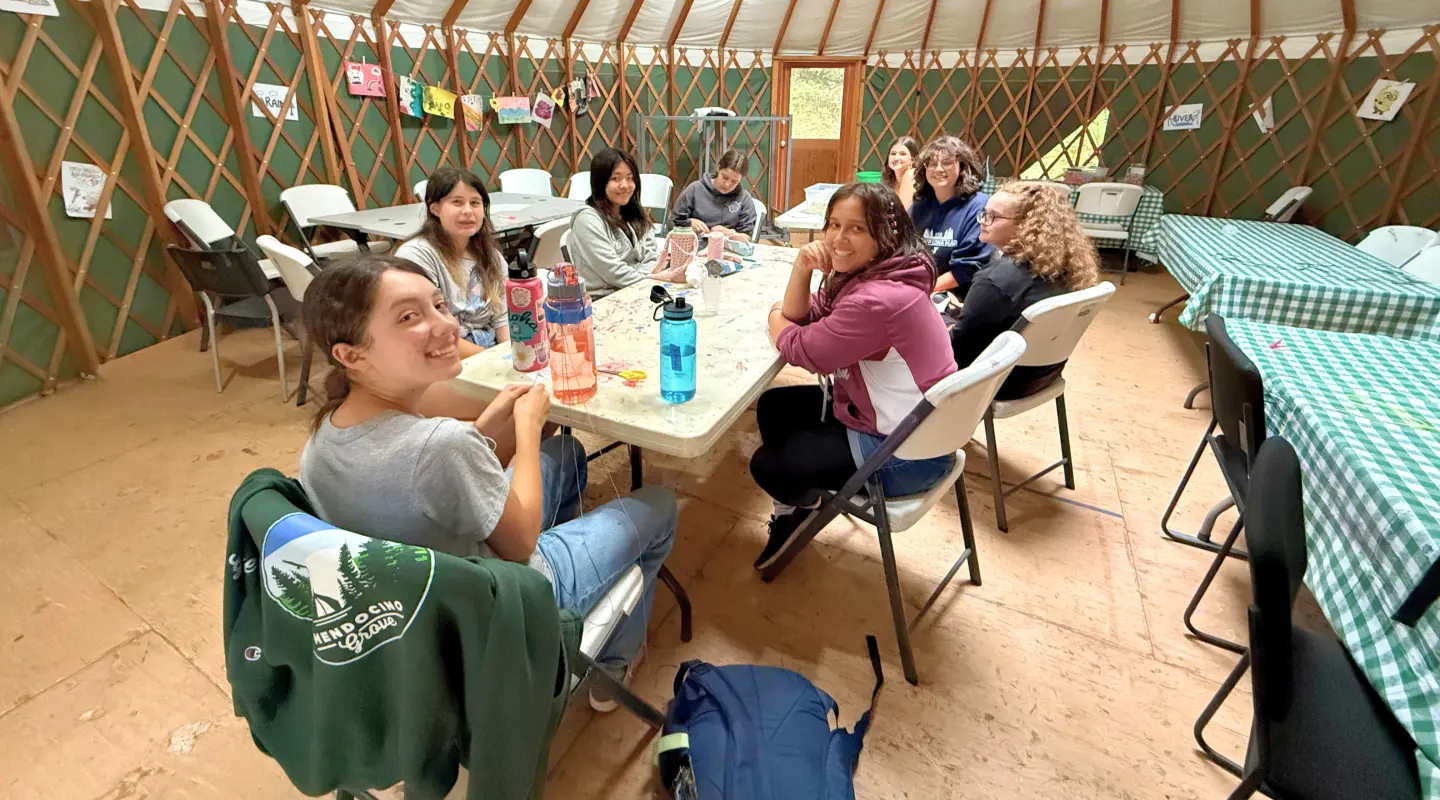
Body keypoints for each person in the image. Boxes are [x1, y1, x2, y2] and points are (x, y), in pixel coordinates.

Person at [297, 255, 677, 710]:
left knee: (566, 453)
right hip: (503, 601)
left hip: (421, 602)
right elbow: (518, 543)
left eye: (439, 305)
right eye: (409, 316)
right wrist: (527, 428)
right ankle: (609, 659)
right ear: (351, 354)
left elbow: (421, 484)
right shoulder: (440, 445)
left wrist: (484, 427)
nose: (446, 327)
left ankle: (589, 572)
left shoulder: (324, 436)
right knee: (659, 504)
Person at [750, 183, 959, 569]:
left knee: (767, 464)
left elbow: (802, 348)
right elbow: (805, 315)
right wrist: (801, 267)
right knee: (775, 406)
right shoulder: (880, 274)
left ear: (887, 233)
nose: (838, 239)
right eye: (832, 224)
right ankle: (793, 508)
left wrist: (773, 318)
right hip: (903, 424)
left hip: (906, 456)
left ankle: (807, 503)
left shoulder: (880, 299)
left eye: (856, 229)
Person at [950, 181, 1100, 400]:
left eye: (993, 216)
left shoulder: (996, 280)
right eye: (984, 214)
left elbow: (957, 349)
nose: (982, 221)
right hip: (1042, 375)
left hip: (994, 383)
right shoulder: (1064, 268)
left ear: (1027, 225)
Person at [395, 167, 508, 356]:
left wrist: (511, 357)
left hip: (490, 346)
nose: (467, 211)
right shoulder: (417, 255)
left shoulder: (491, 254)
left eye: (475, 203)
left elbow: (503, 317)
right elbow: (429, 329)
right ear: (435, 208)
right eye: (457, 202)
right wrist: (488, 359)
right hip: (440, 352)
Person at [908, 136, 992, 298]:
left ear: (962, 166)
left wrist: (925, 291)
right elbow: (901, 246)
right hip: (919, 287)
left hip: (958, 296)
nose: (938, 169)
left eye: (946, 162)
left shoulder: (979, 206)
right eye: (932, 164)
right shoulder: (920, 205)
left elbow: (968, 267)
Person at [568, 147, 658, 298]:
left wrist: (645, 283)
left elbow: (651, 255)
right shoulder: (588, 220)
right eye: (616, 178)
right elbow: (611, 270)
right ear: (600, 182)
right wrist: (646, 286)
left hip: (637, 291)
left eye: (630, 178)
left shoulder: (634, 214)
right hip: (602, 298)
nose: (625, 185)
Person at [670, 148, 759, 241]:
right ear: (719, 168)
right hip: (694, 246)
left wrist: (731, 233)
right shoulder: (695, 189)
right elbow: (672, 222)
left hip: (727, 249)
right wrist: (688, 223)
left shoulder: (743, 198)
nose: (727, 184)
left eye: (734, 182)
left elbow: (748, 238)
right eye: (724, 177)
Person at [882, 136, 920, 210]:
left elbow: (904, 213)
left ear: (912, 159)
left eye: (902, 154)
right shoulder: (891, 180)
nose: (896, 158)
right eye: (893, 154)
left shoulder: (911, 175)